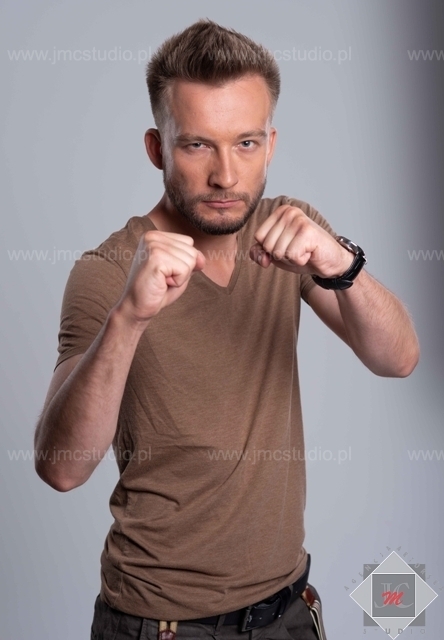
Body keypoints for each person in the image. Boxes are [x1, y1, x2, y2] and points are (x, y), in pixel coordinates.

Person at [34, 19, 419, 640]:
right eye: (196, 145)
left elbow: (399, 359)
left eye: (245, 143)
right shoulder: (108, 272)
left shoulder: (289, 232)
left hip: (288, 609)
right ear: (157, 148)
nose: (226, 176)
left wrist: (342, 264)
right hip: (162, 623)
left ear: (270, 144)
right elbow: (61, 468)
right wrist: (130, 317)